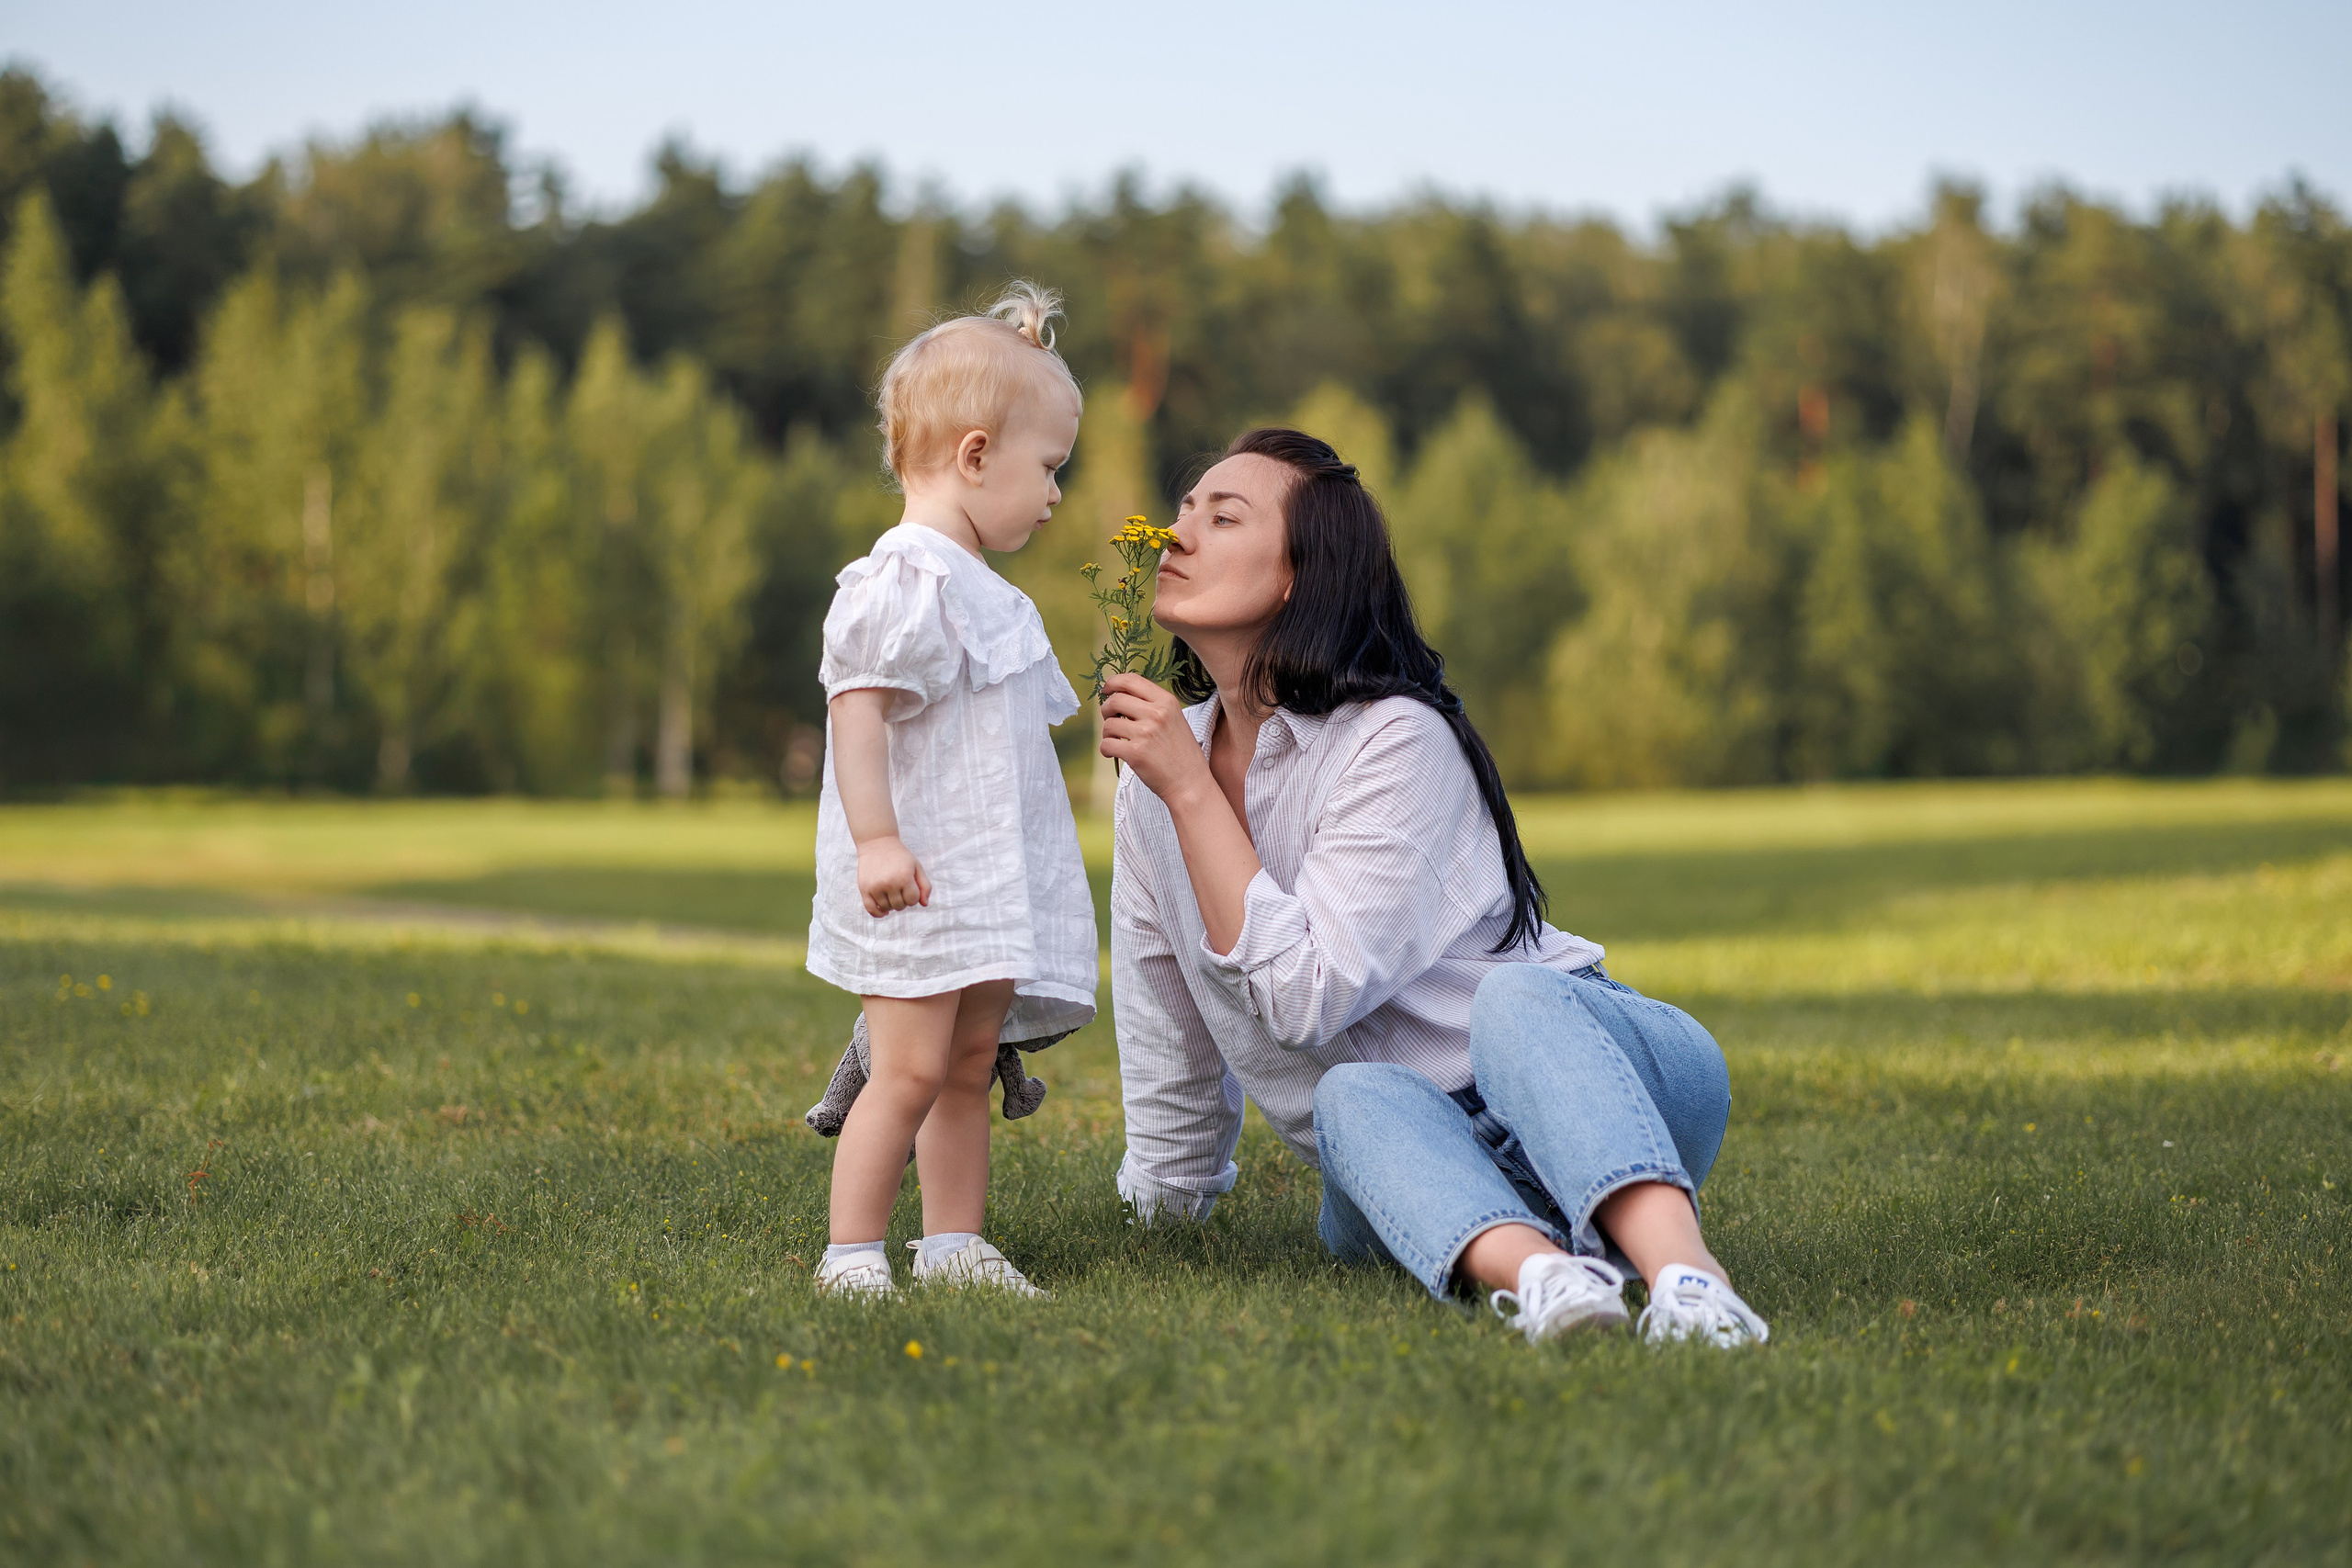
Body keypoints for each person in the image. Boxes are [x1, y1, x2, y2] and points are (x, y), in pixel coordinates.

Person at [1097, 427, 1770, 1347]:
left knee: (1515, 1001)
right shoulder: (1151, 782)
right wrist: (1161, 1215)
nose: (1176, 536)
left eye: (1222, 517)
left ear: (1300, 574)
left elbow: (1305, 998)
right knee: (1350, 1099)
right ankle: (1549, 1281)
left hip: (1590, 1073)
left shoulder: (1392, 738)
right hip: (1407, 1151)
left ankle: (1693, 1284)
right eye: (1180, 513)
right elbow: (1164, 1015)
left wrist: (1189, 792)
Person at [805, 282, 1096, 1299]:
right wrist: (876, 841)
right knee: (912, 1069)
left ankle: (953, 1244)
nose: (1056, 492)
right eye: (1048, 468)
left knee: (969, 1062)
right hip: (916, 876)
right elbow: (857, 710)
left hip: (979, 879)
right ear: (976, 456)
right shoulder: (905, 580)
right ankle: (850, 1254)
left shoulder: (982, 589)